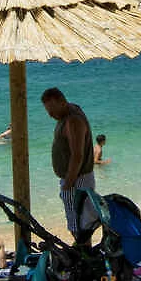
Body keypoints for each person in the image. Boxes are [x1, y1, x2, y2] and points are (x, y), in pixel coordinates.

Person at [41, 87, 98, 240]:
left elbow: (77, 155)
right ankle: (83, 248)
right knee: (80, 223)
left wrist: (68, 183)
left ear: (62, 102)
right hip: (76, 178)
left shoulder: (73, 121)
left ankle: (83, 250)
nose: (50, 115)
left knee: (79, 225)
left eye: (52, 110)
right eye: (48, 111)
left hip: (77, 179)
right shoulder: (70, 111)